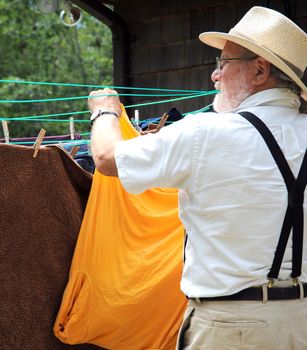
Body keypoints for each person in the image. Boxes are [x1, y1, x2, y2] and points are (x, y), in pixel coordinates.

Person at [88, 6, 307, 350]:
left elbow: (105, 158)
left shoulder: (203, 133)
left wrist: (105, 111)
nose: (215, 77)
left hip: (231, 328)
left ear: (260, 70)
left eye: (223, 63)